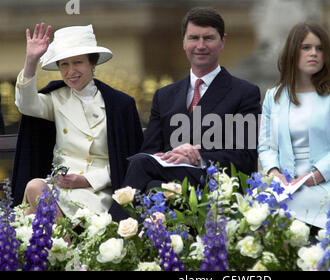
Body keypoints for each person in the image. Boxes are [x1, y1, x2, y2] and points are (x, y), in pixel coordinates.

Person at [117, 7, 261, 219]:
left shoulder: (244, 93)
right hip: (166, 186)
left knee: (141, 167)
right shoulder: (164, 96)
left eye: (208, 38)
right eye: (193, 38)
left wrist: (196, 156)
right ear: (183, 42)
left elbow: (245, 159)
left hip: (214, 186)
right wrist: (171, 155)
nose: (200, 45)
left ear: (223, 41)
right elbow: (150, 152)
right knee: (151, 180)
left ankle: (111, 230)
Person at [12, 23, 143, 220]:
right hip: (60, 187)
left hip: (99, 190)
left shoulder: (120, 104)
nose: (71, 71)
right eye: (64, 64)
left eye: (78, 62)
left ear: (93, 63)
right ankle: (65, 242)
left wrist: (87, 180)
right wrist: (31, 61)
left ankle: (64, 245)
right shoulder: (56, 99)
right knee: (35, 188)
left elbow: (129, 160)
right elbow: (26, 105)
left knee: (31, 214)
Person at [258, 23, 330, 229]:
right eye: (306, 47)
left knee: (280, 209)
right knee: (257, 206)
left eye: (319, 48)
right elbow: (267, 146)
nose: (314, 53)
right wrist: (274, 172)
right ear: (292, 52)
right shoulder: (274, 96)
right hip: (288, 184)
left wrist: (316, 175)